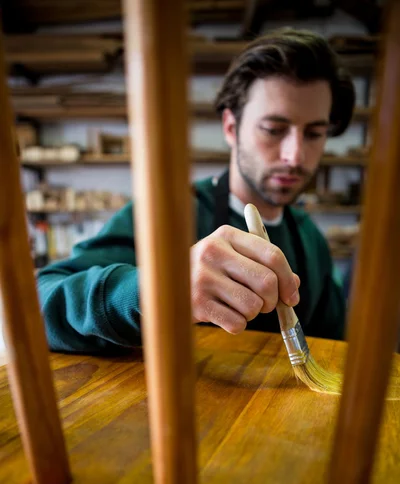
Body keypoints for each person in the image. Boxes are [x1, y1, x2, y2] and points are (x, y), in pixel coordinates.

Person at [37, 28, 355, 353]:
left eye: (314, 133)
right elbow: (40, 302)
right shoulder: (167, 214)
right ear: (231, 128)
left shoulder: (310, 239)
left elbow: (336, 353)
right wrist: (162, 290)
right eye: (274, 130)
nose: (295, 156)